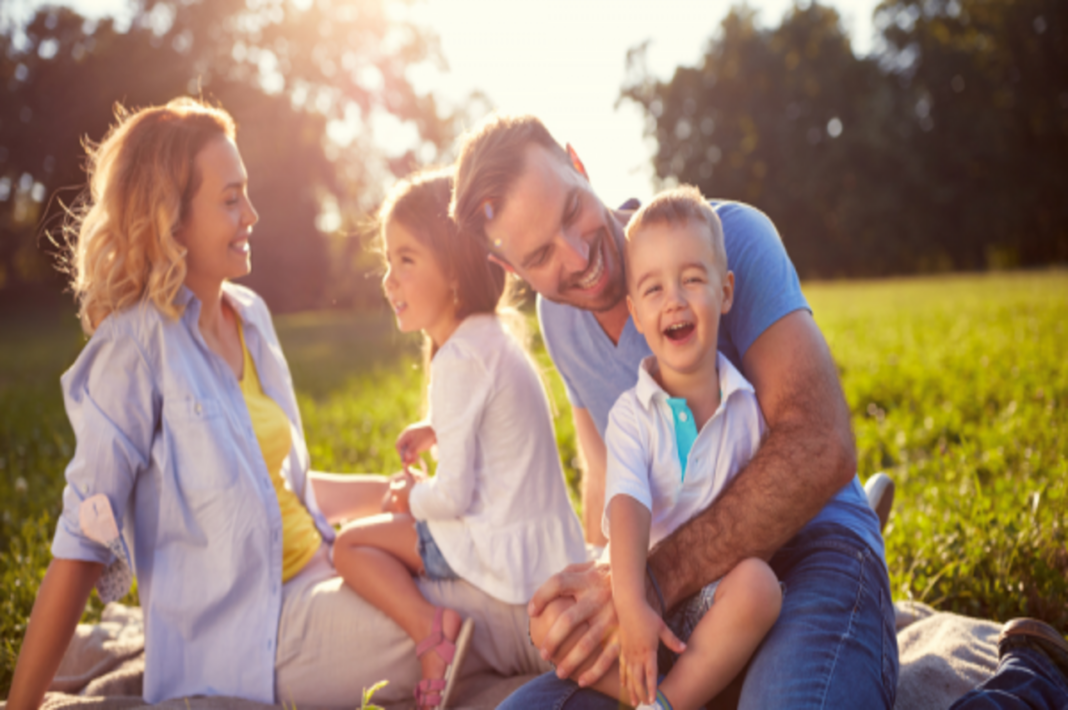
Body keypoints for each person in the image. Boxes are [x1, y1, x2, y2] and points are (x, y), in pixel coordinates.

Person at [6, 99, 551, 710]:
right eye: (230, 199)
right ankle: (588, 640)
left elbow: (272, 493)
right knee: (468, 610)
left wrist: (390, 494)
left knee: (483, 572)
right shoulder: (133, 350)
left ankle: (585, 620)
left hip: (323, 572)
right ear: (171, 220)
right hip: (254, 637)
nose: (252, 214)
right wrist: (21, 706)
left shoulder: (250, 318)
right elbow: (83, 540)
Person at [451, 113, 898, 709]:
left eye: (572, 211)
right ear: (512, 271)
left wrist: (651, 582)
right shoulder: (557, 319)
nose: (578, 256)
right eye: (539, 255)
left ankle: (1020, 678)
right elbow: (605, 475)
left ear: (578, 164)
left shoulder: (726, 237)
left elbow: (820, 446)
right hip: (681, 601)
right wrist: (599, 599)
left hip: (809, 548)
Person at [330, 169, 586, 709]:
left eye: (406, 259)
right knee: (377, 532)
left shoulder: (458, 358)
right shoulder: (493, 338)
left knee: (350, 545)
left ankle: (432, 632)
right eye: (388, 260)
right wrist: (436, 427)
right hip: (542, 551)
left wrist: (411, 497)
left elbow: (451, 496)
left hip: (499, 556)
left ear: (452, 271)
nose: (389, 280)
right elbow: (493, 427)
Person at [558, 186, 783, 710]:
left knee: (760, 586)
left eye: (692, 280)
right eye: (654, 289)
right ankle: (698, 685)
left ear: (725, 292)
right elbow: (628, 506)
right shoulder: (631, 416)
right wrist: (632, 603)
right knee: (552, 621)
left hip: (715, 603)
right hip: (643, 600)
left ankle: (668, 701)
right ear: (636, 313)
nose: (674, 300)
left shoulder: (747, 406)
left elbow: (766, 513)